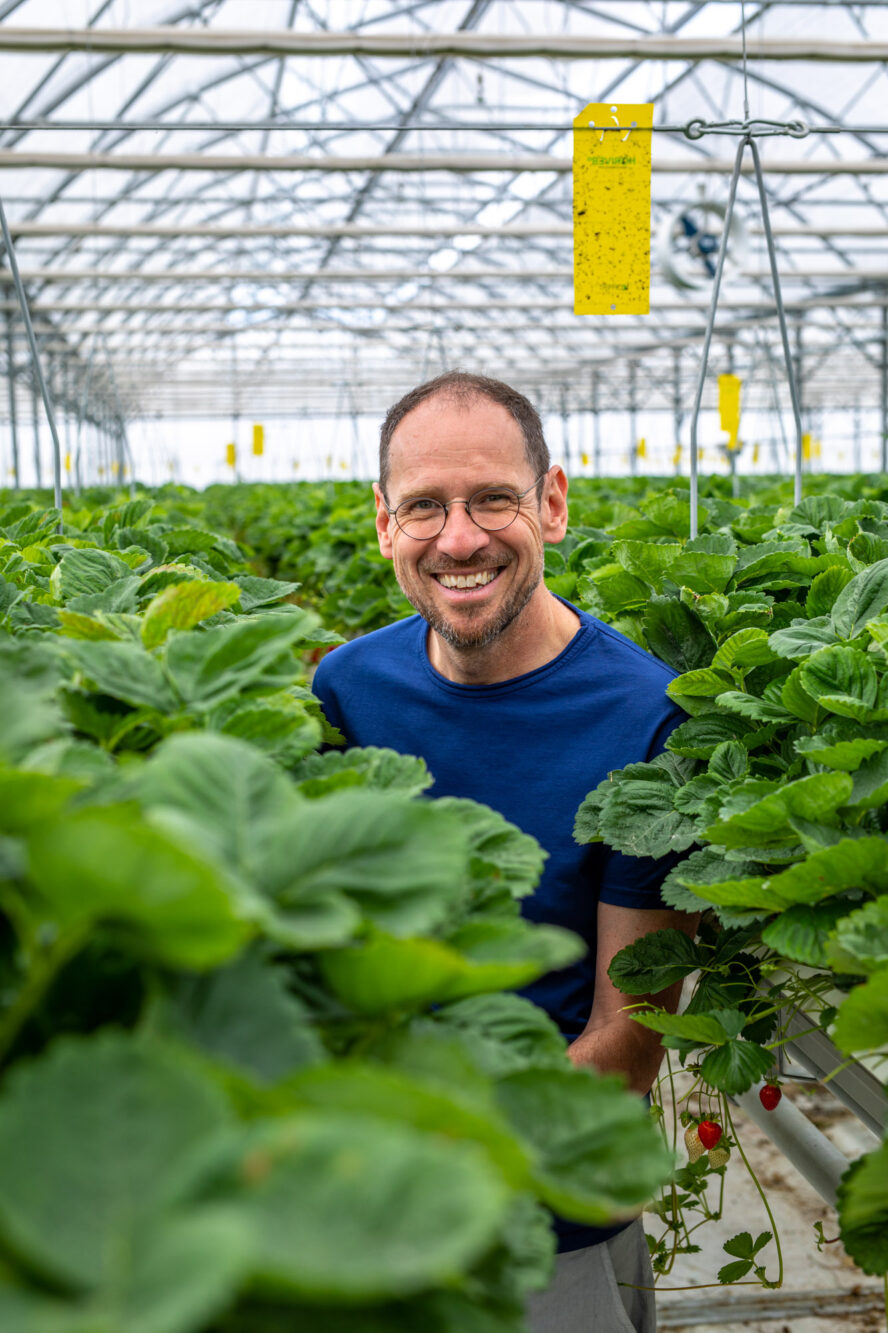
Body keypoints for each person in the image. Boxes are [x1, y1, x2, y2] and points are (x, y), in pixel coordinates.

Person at [312, 371, 698, 1333]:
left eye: (493, 498)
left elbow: (627, 1039)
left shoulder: (651, 718)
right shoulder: (344, 691)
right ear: (383, 522)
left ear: (552, 505)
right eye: (425, 507)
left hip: (543, 1219)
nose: (459, 537)